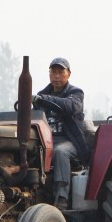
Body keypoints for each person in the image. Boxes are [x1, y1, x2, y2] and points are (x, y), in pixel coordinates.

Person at [32, 57, 90, 209]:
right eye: (53, 72)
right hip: (46, 141)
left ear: (68, 74)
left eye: (60, 72)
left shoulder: (76, 93)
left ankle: (62, 198)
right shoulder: (41, 95)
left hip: (70, 142)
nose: (56, 76)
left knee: (60, 152)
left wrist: (43, 99)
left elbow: (70, 106)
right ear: (49, 74)